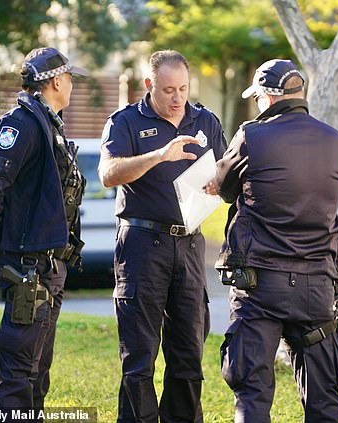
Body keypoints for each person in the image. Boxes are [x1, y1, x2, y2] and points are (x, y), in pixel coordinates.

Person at [209, 59, 338, 423]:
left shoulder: (252, 136)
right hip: (318, 286)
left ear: (267, 97)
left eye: (256, 97)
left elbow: (224, 188)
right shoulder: (336, 141)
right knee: (325, 397)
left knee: (252, 393)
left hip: (260, 287)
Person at [98, 49, 227, 423]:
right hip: (141, 247)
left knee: (188, 354)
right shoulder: (125, 122)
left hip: (188, 245)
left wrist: (219, 187)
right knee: (139, 357)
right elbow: (108, 174)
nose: (177, 99)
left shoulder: (206, 121)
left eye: (183, 89)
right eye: (168, 90)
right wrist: (158, 156)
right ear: (149, 85)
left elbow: (224, 174)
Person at [0, 47, 88, 419]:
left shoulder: (48, 123)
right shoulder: (24, 125)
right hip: (29, 271)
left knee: (37, 371)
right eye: (69, 79)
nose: (72, 86)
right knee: (19, 371)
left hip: (50, 268)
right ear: (54, 81)